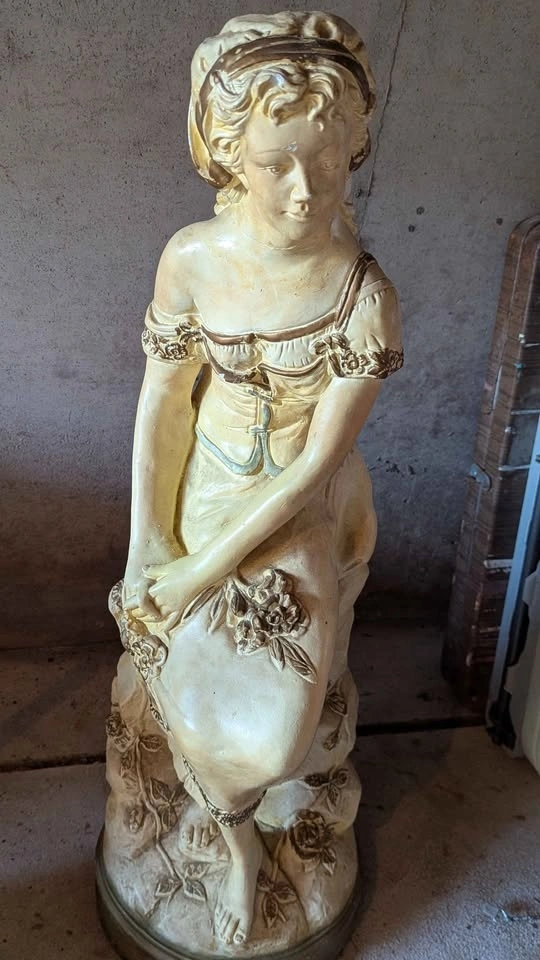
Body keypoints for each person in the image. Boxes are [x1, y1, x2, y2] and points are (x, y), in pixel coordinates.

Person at [118, 11, 403, 949]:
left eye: (326, 163)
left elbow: (315, 468)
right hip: (202, 489)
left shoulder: (363, 297)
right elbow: (165, 402)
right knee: (177, 683)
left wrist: (194, 576)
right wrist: (149, 546)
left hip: (298, 512)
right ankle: (235, 846)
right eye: (276, 163)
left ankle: (268, 815)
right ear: (230, 157)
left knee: (278, 729)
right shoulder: (192, 259)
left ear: (353, 150)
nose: (303, 191)